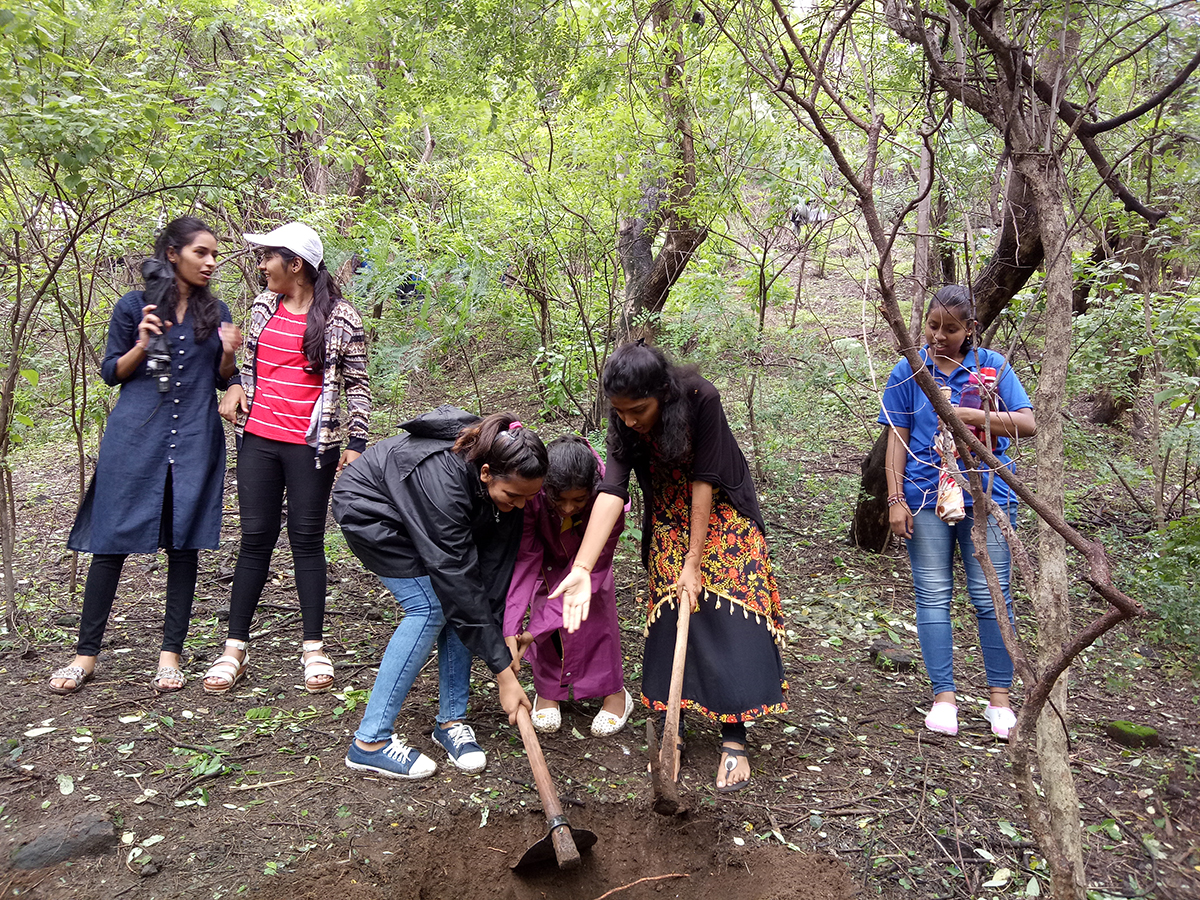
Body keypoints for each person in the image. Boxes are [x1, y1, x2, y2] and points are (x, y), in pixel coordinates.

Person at [552, 343, 787, 792]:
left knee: (725, 601)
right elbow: (612, 488)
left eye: (638, 410)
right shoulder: (624, 418)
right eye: (619, 412)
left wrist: (694, 562)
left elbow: (705, 480)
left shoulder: (701, 398)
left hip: (720, 507)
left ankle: (734, 735)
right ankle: (671, 728)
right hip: (667, 513)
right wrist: (582, 565)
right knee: (669, 606)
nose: (629, 420)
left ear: (663, 392)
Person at [51, 216, 241, 694]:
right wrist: (141, 342)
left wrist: (229, 362)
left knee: (184, 545)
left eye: (214, 254)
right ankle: (85, 656)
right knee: (110, 542)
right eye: (202, 252)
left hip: (194, 440)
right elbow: (112, 372)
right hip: (135, 438)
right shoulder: (134, 306)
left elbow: (224, 377)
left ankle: (169, 656)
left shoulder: (216, 312)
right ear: (173, 254)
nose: (211, 262)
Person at [203, 222, 369, 694]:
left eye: (268, 257)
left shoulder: (341, 318)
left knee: (306, 539)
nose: (260, 266)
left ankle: (313, 646)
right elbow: (245, 371)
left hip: (311, 446)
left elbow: (357, 386)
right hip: (257, 439)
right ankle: (234, 647)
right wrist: (231, 375)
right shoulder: (261, 307)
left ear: (295, 264)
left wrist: (356, 444)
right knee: (255, 538)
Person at [331, 408, 541, 779]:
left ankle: (451, 722)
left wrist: (501, 636)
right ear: (486, 473)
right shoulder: (442, 478)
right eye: (513, 496)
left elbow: (490, 573)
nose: (521, 505)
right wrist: (503, 675)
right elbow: (455, 578)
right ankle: (370, 742)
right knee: (430, 607)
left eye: (529, 497)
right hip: (373, 510)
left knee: (459, 598)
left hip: (419, 513)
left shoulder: (508, 483)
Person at [879, 284, 1036, 739]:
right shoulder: (909, 371)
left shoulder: (993, 367)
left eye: (951, 329)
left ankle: (999, 702)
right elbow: (896, 440)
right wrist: (895, 499)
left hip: (987, 499)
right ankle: (943, 698)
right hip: (926, 497)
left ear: (970, 329)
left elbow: (1027, 422)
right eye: (933, 326)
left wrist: (971, 415)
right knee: (932, 594)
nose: (939, 336)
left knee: (992, 596)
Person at [504, 435, 632, 736]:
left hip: (590, 566)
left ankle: (615, 693)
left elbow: (598, 560)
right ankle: (548, 690)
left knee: (593, 613)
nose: (568, 508)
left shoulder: (606, 501)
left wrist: (535, 628)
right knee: (543, 606)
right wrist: (512, 628)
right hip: (546, 563)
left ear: (592, 490)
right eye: (558, 500)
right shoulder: (534, 496)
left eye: (578, 500)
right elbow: (525, 557)